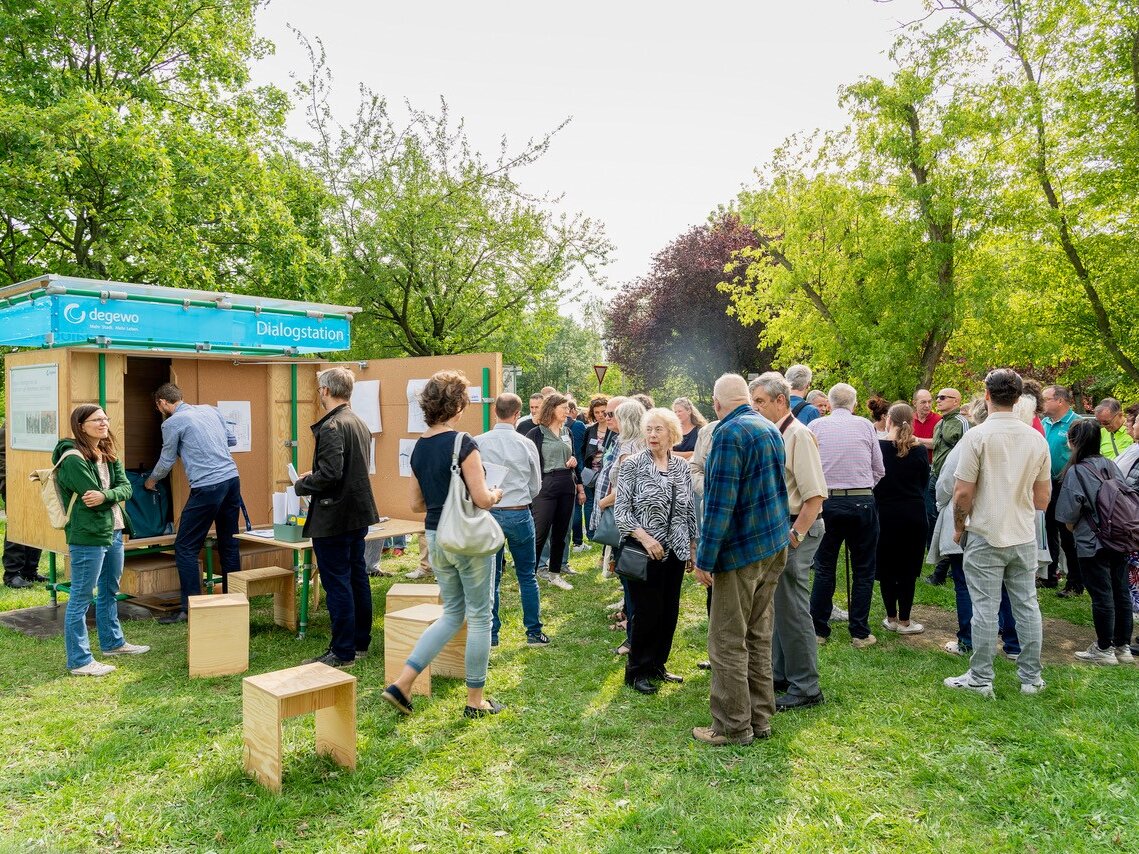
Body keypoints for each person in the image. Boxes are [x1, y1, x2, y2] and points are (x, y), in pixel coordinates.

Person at [382, 370, 505, 718]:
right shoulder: (463, 442)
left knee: (452, 614)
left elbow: (416, 504)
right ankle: (475, 700)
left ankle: (402, 683)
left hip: (436, 536)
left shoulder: (418, 447)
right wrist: (496, 492)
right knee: (481, 617)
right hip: (467, 537)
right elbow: (481, 499)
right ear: (458, 405)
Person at [692, 374, 789, 746]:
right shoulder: (769, 427)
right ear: (746, 399)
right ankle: (760, 719)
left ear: (717, 405)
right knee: (758, 635)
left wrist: (705, 558)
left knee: (727, 640)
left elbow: (719, 504)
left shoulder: (728, 434)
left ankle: (733, 726)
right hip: (771, 545)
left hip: (742, 551)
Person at [944, 369, 1050, 698]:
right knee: (1027, 606)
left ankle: (980, 677)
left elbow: (962, 493)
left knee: (986, 608)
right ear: (1018, 399)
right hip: (1022, 532)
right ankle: (1031, 678)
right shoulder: (1036, 438)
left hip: (985, 532)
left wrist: (959, 528)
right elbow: (1042, 498)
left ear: (987, 396)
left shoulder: (977, 436)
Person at [750, 373, 827, 710]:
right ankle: (781, 674)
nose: (755, 408)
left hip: (796, 528)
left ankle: (807, 687)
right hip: (780, 529)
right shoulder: (774, 434)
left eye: (761, 402)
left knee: (794, 609)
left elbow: (815, 496)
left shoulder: (798, 434)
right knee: (779, 605)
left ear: (781, 401)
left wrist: (794, 536)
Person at [293, 367, 379, 668]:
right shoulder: (357, 421)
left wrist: (302, 483)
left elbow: (331, 474)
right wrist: (315, 475)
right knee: (356, 576)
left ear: (326, 391)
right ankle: (359, 643)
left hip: (335, 515)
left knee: (337, 581)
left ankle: (342, 651)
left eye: (319, 389)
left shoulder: (332, 427)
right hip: (356, 512)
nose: (319, 394)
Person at [54, 405, 150, 675]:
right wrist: (110, 495)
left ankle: (113, 643)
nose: (103, 423)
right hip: (88, 535)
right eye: (96, 420)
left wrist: (107, 496)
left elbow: (127, 488)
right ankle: (80, 661)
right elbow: (90, 496)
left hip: (114, 530)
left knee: (109, 589)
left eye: (105, 418)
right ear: (81, 425)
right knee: (81, 597)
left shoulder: (107, 453)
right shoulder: (72, 458)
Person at [928, 399, 1021, 660]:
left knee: (965, 583)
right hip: (1006, 519)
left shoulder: (969, 442)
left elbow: (949, 484)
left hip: (971, 521)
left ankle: (969, 640)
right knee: (1005, 584)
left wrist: (945, 509)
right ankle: (1013, 643)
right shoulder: (1019, 441)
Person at [614, 408, 698, 694]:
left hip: (675, 550)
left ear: (672, 433)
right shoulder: (632, 465)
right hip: (643, 551)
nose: (651, 434)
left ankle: (658, 665)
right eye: (648, 429)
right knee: (646, 612)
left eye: (658, 429)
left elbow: (688, 510)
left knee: (669, 611)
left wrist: (691, 545)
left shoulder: (681, 467)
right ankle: (637, 670)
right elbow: (621, 512)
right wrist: (646, 539)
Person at [145, 383, 240, 624]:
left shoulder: (171, 423)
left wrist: (151, 481)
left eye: (158, 407)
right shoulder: (211, 410)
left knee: (185, 547)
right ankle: (235, 601)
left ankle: (190, 609)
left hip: (207, 486)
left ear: (163, 403)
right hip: (231, 479)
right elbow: (232, 440)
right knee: (229, 542)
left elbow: (166, 461)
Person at [808, 383, 885, 648]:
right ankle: (860, 633)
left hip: (826, 501)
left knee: (824, 567)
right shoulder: (865, 425)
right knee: (863, 570)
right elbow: (879, 468)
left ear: (828, 404)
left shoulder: (816, 426)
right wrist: (863, 487)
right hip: (861, 501)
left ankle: (818, 630)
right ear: (854, 403)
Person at [1055, 418, 1134, 665]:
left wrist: (1073, 528)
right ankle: (1123, 647)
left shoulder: (1077, 470)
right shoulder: (1110, 464)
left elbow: (1068, 514)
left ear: (1073, 441)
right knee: (1120, 592)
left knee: (1101, 594)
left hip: (1092, 540)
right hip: (1119, 537)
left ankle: (1103, 648)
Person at [474, 393, 547, 648]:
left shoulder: (477, 442)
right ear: (517, 414)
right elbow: (536, 484)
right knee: (527, 574)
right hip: (518, 510)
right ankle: (534, 632)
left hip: (489, 513)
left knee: (490, 577)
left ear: (495, 411)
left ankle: (491, 634)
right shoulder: (526, 443)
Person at [594, 399, 647, 652]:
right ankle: (635, 629)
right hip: (641, 518)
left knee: (630, 577)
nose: (607, 418)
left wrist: (604, 502)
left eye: (614, 415)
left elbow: (625, 487)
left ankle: (633, 635)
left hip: (628, 519)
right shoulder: (644, 443)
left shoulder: (630, 447)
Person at [874, 403, 930, 634]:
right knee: (908, 568)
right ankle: (905, 620)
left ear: (889, 420)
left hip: (885, 513)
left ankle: (891, 617)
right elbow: (924, 483)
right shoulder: (918, 450)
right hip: (914, 513)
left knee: (887, 566)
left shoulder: (878, 447)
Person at [526, 393, 584, 590]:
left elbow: (573, 456)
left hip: (567, 482)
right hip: (546, 484)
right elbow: (528, 462)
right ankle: (529, 576)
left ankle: (555, 574)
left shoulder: (567, 431)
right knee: (540, 533)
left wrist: (574, 462)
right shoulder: (536, 433)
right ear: (552, 409)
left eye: (568, 408)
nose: (567, 412)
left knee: (561, 532)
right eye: (564, 408)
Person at [925, 387, 968, 585]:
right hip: (936, 476)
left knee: (950, 522)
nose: (938, 400)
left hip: (953, 480)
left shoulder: (962, 422)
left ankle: (943, 572)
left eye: (943, 397)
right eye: (938, 397)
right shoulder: (940, 423)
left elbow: (966, 453)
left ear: (956, 401)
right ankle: (945, 565)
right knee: (935, 521)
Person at [1042, 385, 1082, 594]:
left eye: (1046, 399)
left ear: (1059, 401)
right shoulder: (1044, 423)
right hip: (1045, 484)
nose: (1042, 403)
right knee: (1047, 530)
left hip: (1066, 485)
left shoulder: (1076, 423)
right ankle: (1049, 576)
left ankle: (1075, 582)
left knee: (1067, 535)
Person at [1, 422, 44, 588]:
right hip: (15, 481)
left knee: (37, 522)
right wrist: (8, 481)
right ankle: (12, 575)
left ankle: (29, 570)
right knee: (18, 523)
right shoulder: (10, 428)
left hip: (34, 478)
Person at [912, 389, 942, 550]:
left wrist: (916, 440)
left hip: (931, 468)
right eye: (923, 402)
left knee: (930, 508)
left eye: (930, 401)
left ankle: (931, 545)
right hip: (911, 469)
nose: (927, 405)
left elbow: (936, 443)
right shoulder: (909, 419)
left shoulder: (938, 420)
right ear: (914, 403)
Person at [580, 395, 610, 540]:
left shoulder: (614, 430)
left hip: (607, 473)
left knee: (604, 502)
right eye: (597, 412)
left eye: (603, 412)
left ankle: (603, 530)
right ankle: (591, 533)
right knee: (590, 502)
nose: (600, 415)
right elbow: (583, 450)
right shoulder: (590, 430)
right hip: (591, 472)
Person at [566, 398, 588, 552]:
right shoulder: (578, 426)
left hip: (562, 472)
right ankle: (578, 541)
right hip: (576, 469)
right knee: (576, 506)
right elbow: (582, 449)